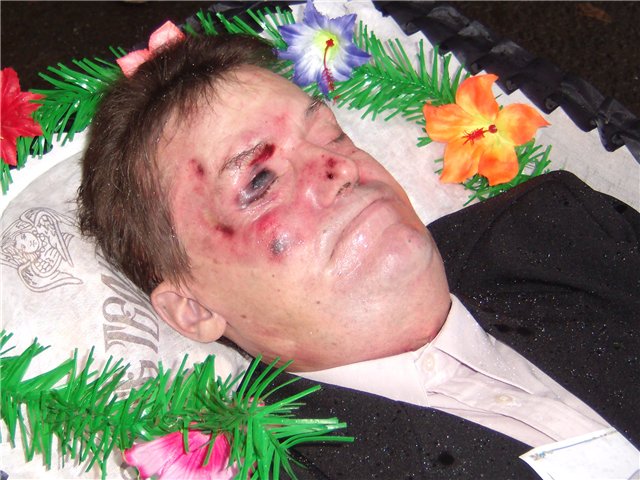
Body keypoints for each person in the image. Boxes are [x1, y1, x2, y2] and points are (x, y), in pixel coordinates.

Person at [78, 34, 639, 477]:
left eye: (332, 135)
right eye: (260, 180)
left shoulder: (558, 230)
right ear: (195, 309)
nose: (341, 167)